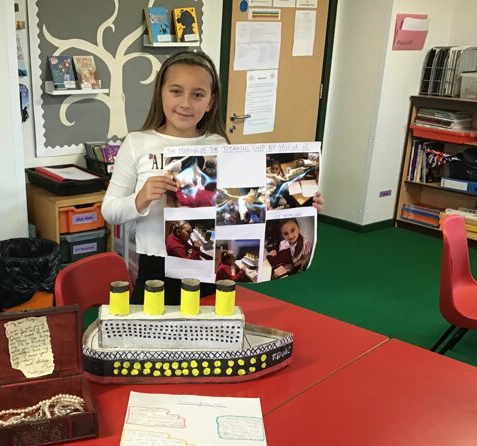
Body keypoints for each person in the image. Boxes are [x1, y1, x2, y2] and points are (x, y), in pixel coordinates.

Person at [101, 51, 323, 304]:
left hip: (207, 267)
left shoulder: (218, 145)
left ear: (210, 101)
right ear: (160, 93)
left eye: (197, 94)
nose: (186, 103)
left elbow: (243, 204)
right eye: (176, 91)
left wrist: (303, 205)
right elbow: (110, 211)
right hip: (156, 265)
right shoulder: (137, 143)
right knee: (153, 325)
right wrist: (140, 199)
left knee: (208, 325)